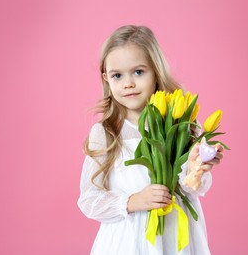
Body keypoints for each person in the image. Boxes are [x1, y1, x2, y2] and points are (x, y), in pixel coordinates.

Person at [78, 25, 224, 255]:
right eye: (117, 75)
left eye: (138, 72)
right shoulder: (107, 132)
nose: (128, 83)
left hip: (175, 237)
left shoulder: (180, 123)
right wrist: (134, 201)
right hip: (129, 240)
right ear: (106, 78)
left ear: (156, 72)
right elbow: (89, 199)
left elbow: (191, 188)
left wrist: (196, 168)